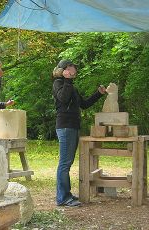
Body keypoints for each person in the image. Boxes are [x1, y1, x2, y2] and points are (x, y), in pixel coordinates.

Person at [52, 60, 106, 207]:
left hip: (73, 127)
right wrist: (67, 80)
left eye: (74, 67)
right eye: (71, 67)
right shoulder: (58, 83)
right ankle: (62, 197)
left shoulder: (71, 87)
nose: (74, 68)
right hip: (65, 127)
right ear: (64, 69)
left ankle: (65, 194)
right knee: (65, 163)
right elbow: (62, 98)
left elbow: (84, 104)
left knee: (67, 163)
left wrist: (98, 94)